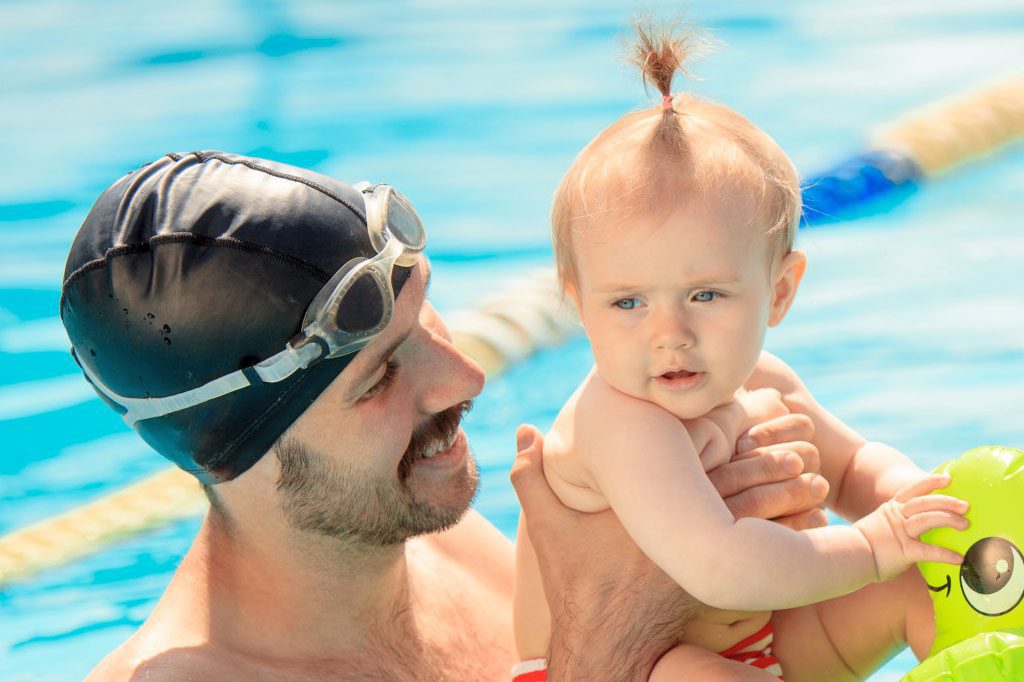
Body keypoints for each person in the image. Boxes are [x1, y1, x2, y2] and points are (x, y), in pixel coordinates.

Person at [61, 150, 825, 680]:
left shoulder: (453, 547)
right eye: (380, 376)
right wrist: (610, 644)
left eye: (428, 320)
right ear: (231, 449)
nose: (466, 377)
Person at [511, 20, 969, 681]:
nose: (669, 333)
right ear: (578, 305)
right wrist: (875, 543)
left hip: (764, 649)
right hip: (614, 666)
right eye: (628, 303)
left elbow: (854, 467)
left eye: (705, 296)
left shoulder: (767, 383)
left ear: (779, 291)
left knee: (927, 585)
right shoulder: (619, 422)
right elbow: (720, 567)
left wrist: (923, 505)